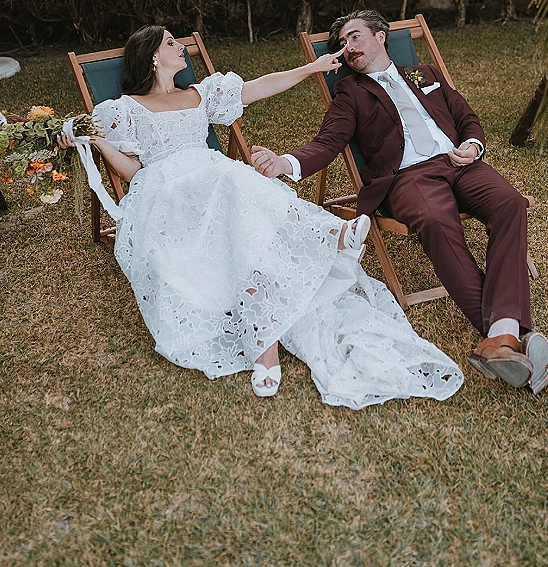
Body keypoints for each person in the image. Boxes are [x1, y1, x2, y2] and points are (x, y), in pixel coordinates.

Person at [60, 24, 464, 407]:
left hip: (218, 181)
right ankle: (329, 235)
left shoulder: (201, 94)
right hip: (169, 192)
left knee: (237, 197)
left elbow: (259, 87)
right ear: (151, 57)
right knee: (231, 180)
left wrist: (311, 68)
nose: (180, 46)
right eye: (170, 42)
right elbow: (131, 172)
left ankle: (266, 346)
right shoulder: (126, 109)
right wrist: (92, 138)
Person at [251, 10, 548, 395]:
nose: (348, 48)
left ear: (380, 37)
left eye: (355, 37)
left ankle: (502, 340)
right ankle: (511, 334)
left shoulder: (424, 73)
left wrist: (472, 145)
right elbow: (327, 142)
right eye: (342, 45)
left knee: (510, 203)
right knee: (435, 219)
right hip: (410, 178)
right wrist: (284, 163)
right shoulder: (351, 92)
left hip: (460, 163)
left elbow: (466, 116)